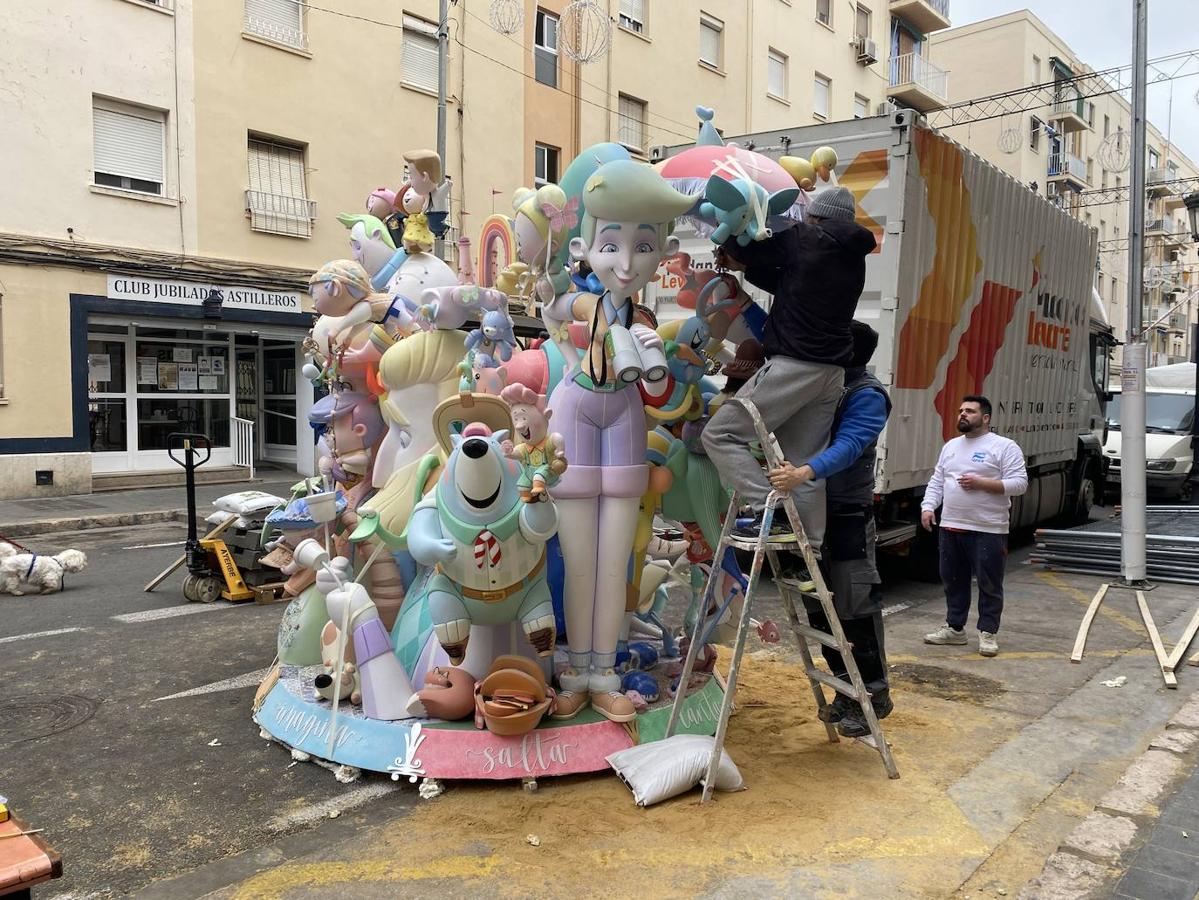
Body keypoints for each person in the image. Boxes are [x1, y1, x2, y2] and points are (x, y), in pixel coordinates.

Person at [702, 187, 877, 557]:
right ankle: (808, 549)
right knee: (803, 461)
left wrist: (733, 241)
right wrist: (744, 267)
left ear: (816, 217)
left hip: (795, 364)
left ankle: (771, 510)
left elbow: (752, 248)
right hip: (831, 371)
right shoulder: (851, 255)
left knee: (720, 434)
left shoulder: (807, 236)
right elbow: (790, 283)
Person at [766, 321, 892, 737]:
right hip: (812, 507)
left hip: (846, 514)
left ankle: (874, 694)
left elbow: (851, 444)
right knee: (821, 606)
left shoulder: (866, 394)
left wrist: (806, 471)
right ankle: (847, 691)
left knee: (854, 606)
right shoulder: (826, 382)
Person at [921, 396, 1028, 657]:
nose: (962, 415)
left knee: (989, 583)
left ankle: (988, 632)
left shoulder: (1004, 447)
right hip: (951, 525)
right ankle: (955, 629)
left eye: (969, 411)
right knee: (952, 580)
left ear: (986, 418)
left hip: (988, 528)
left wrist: (982, 484)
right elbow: (937, 480)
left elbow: (1020, 484)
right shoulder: (951, 447)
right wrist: (928, 506)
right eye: (960, 411)